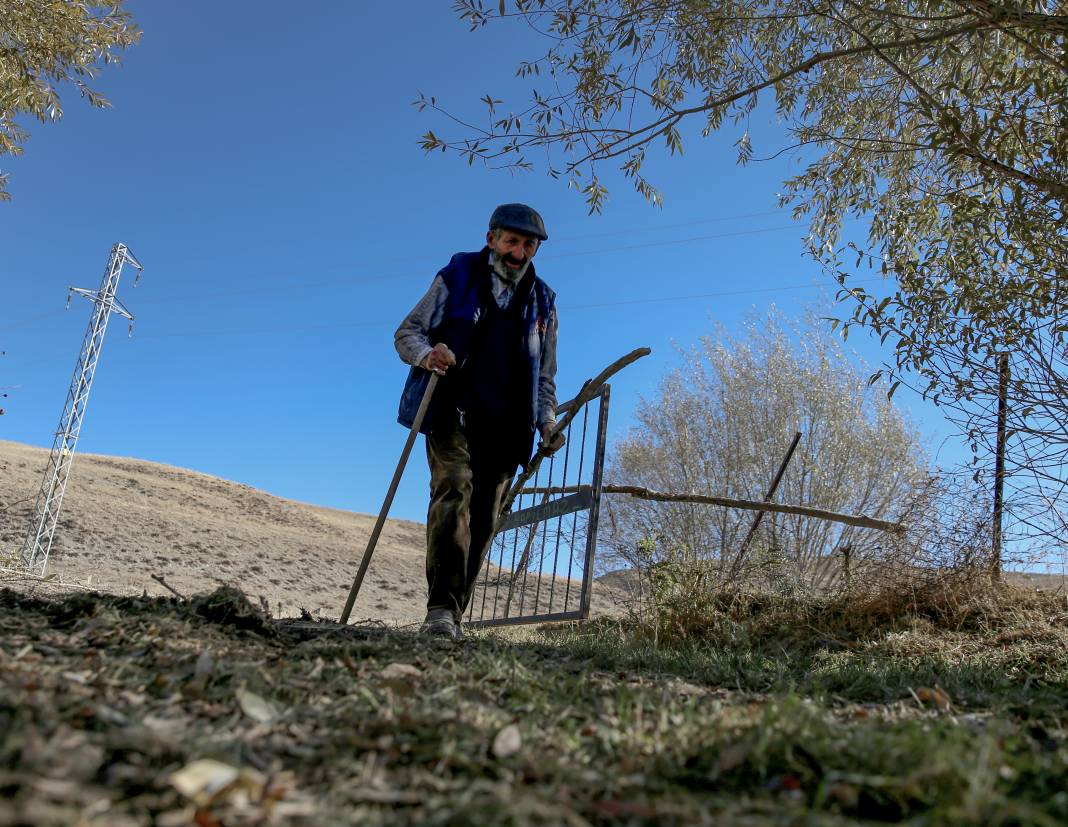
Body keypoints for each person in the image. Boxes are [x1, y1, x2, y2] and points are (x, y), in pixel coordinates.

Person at [394, 203, 563, 640]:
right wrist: (427, 354)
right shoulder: (457, 276)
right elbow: (407, 332)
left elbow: (545, 375)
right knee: (453, 488)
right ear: (491, 239)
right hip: (450, 410)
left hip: (508, 426)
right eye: (512, 241)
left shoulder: (544, 301)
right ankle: (440, 612)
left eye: (529, 245)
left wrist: (547, 421)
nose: (519, 252)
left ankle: (453, 614)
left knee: (485, 518)